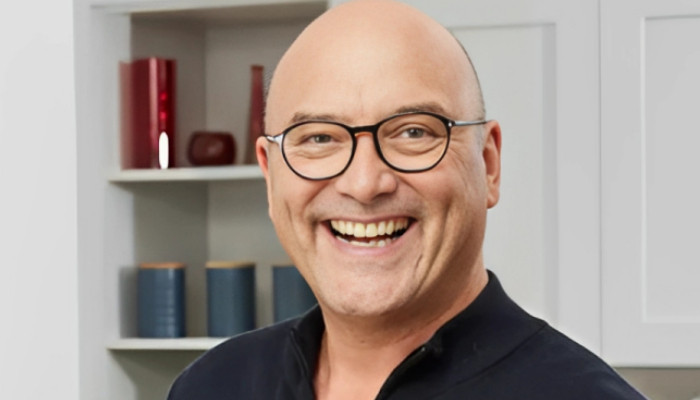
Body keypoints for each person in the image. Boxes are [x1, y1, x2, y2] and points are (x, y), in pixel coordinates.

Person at [168, 0, 645, 398]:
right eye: (319, 138)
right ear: (270, 177)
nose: (364, 183)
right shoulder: (211, 387)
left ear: (489, 164)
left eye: (413, 132)